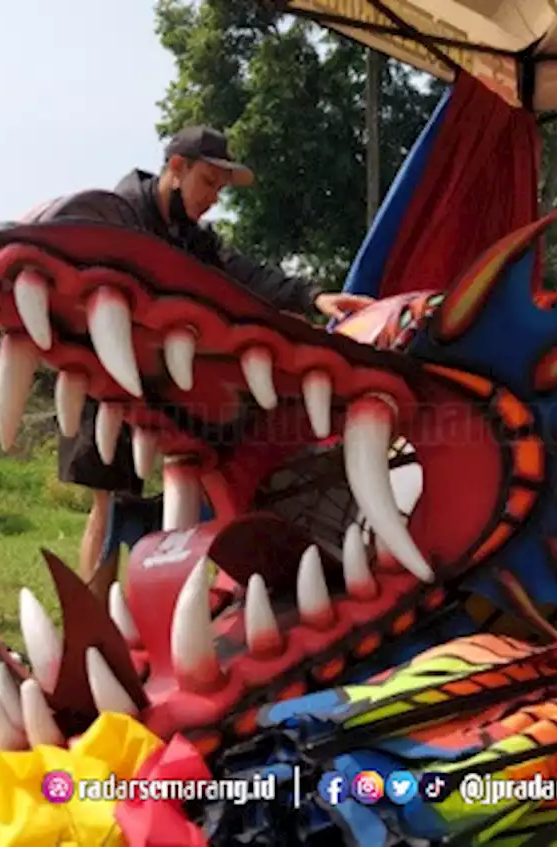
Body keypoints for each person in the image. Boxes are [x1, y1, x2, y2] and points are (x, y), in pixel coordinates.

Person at [47, 125, 374, 578]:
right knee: (109, 505)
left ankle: (199, 603)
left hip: (166, 388)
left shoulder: (196, 239)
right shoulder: (115, 218)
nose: (214, 197)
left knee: (196, 493)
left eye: (220, 188)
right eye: (208, 183)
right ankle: (93, 634)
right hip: (107, 384)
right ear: (177, 169)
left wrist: (312, 296)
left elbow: (247, 273)